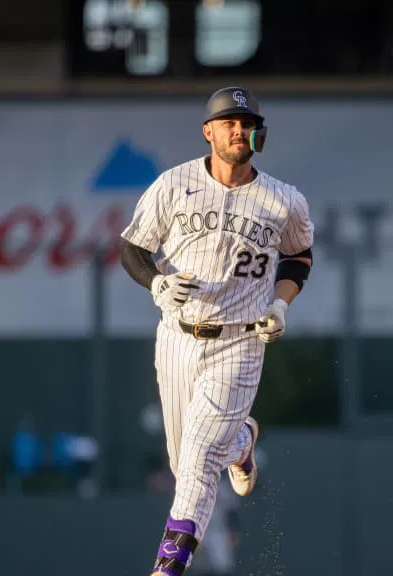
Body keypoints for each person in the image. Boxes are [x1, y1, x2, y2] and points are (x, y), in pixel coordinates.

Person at [119, 86, 315, 576]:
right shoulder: (173, 184)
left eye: (246, 121)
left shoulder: (283, 200)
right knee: (183, 459)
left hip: (241, 339)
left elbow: (299, 256)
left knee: (200, 461)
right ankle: (241, 443)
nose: (238, 129)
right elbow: (133, 251)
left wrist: (281, 304)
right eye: (228, 121)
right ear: (209, 131)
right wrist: (157, 282)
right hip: (178, 336)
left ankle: (169, 566)